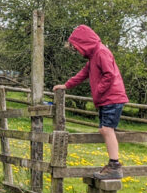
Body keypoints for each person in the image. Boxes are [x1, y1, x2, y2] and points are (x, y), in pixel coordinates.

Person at [53, 25, 129, 180]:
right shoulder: (94, 56)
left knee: (107, 130)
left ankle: (115, 165)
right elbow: (83, 74)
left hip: (112, 98)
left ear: (84, 43)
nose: (77, 51)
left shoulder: (101, 52)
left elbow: (109, 74)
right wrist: (66, 85)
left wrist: (98, 91)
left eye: (76, 47)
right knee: (104, 130)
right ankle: (113, 164)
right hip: (106, 98)